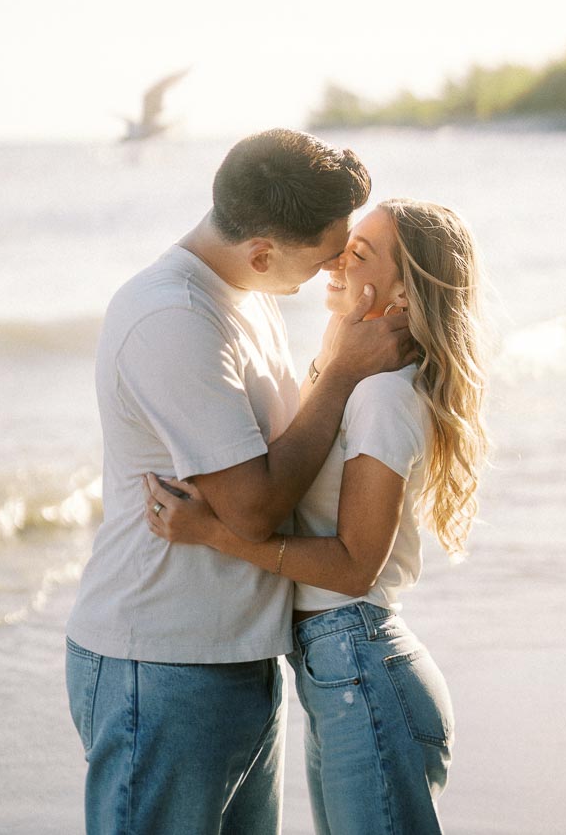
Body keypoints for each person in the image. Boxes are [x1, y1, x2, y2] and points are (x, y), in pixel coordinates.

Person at [65, 130, 415, 835]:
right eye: (321, 260)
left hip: (237, 653)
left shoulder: (245, 292)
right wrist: (345, 370)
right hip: (160, 663)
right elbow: (252, 508)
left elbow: (292, 449)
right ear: (262, 250)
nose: (327, 275)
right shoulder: (173, 317)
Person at [145, 197, 489, 835]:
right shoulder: (354, 380)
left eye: (357, 254)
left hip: (360, 661)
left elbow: (355, 567)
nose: (335, 259)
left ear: (407, 294)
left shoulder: (384, 397)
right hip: (340, 669)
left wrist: (214, 533)